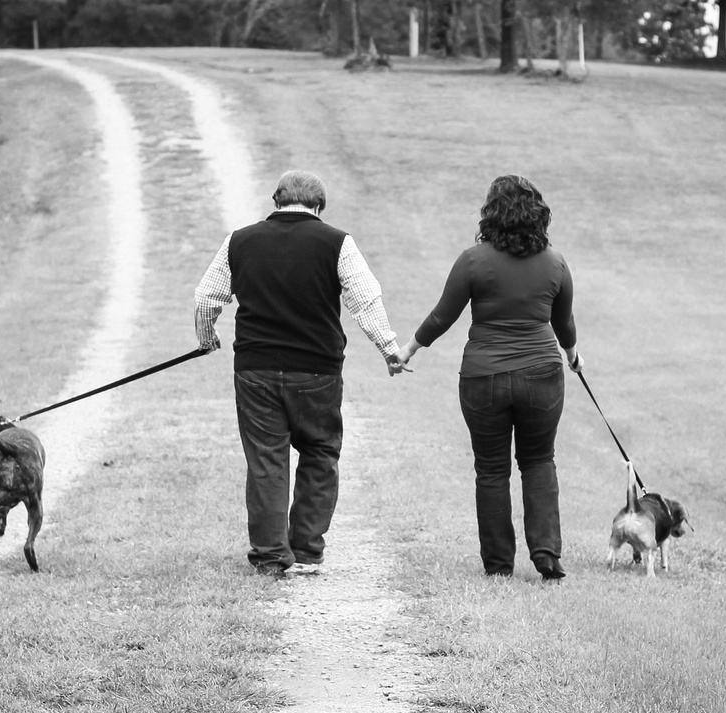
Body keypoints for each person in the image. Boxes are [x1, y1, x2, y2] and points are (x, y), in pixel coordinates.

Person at [194, 170, 407, 579]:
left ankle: (271, 556)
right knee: (320, 452)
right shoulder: (337, 242)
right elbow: (366, 299)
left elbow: (207, 295)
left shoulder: (239, 240)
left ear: (276, 201)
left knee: (266, 461)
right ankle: (307, 549)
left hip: (255, 370)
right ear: (318, 206)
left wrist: (207, 338)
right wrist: (388, 349)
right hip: (317, 370)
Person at [397, 175, 582, 580]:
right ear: (538, 215)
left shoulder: (473, 260)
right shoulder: (555, 262)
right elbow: (563, 321)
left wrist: (408, 350)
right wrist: (572, 354)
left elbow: (442, 316)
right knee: (538, 461)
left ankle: (499, 565)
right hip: (542, 375)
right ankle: (547, 553)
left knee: (492, 469)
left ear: (491, 215)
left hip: (484, 378)